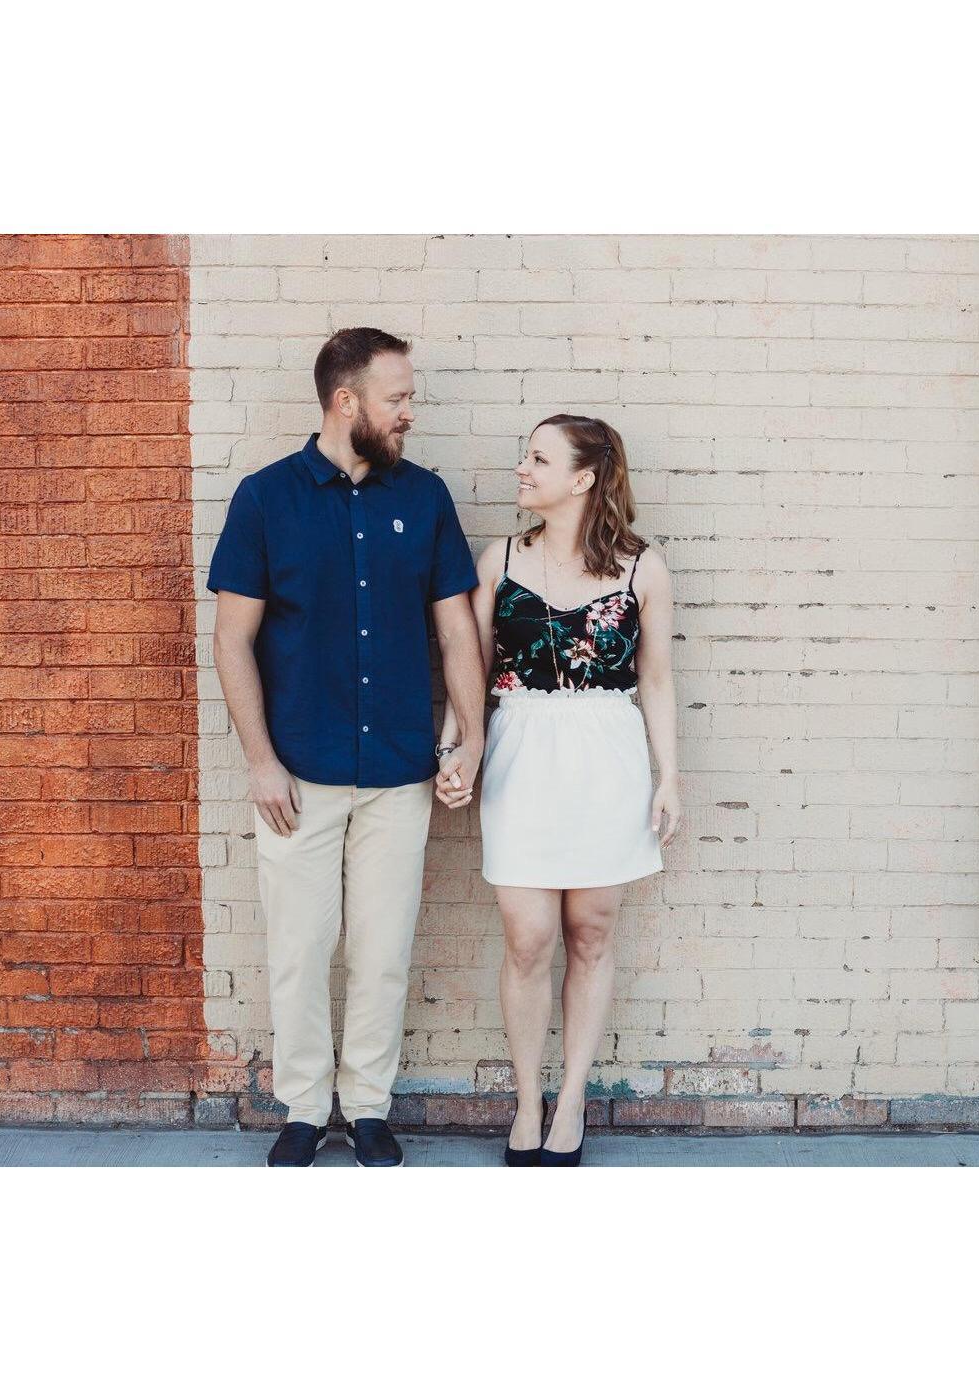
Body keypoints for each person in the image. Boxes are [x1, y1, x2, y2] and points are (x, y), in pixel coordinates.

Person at [208, 327, 485, 1167]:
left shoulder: (426, 497)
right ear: (346, 401)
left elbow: (458, 635)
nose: (409, 413)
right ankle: (302, 1106)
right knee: (298, 947)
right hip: (297, 773)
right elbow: (231, 641)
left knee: (383, 948)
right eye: (397, 398)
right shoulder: (264, 499)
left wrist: (470, 737)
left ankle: (366, 1106)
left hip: (400, 772)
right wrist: (259, 760)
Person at [434, 414, 680, 1166]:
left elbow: (658, 682)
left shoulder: (644, 568)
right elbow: (467, 670)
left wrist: (669, 775)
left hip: (606, 757)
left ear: (584, 477)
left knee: (591, 933)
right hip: (522, 756)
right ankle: (527, 1099)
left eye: (538, 459)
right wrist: (456, 750)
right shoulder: (497, 558)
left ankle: (570, 1100)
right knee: (529, 937)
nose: (522, 469)